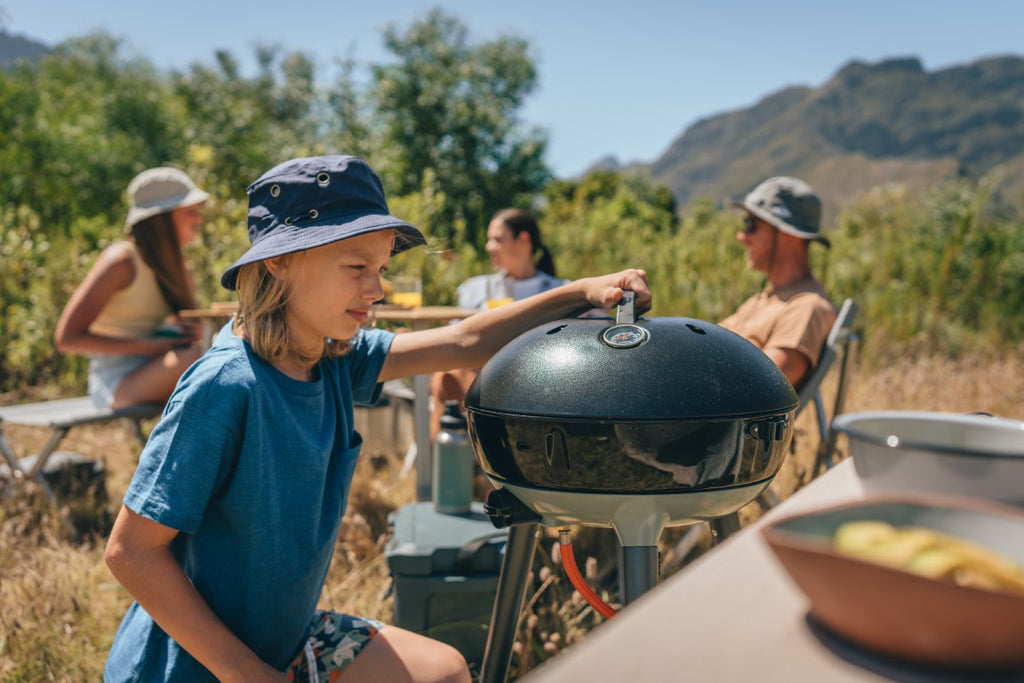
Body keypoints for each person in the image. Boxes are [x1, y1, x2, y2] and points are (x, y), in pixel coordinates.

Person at [102, 154, 651, 683]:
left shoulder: (332, 356)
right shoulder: (225, 387)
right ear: (278, 261)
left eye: (382, 268)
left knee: (445, 671)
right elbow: (131, 552)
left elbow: (464, 339)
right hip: (199, 664)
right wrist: (245, 672)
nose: (378, 289)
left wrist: (579, 292)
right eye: (357, 267)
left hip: (284, 641)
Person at [54, 167, 208, 409]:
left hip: (163, 364)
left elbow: (184, 331)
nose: (199, 219)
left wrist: (194, 332)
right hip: (115, 381)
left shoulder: (180, 270)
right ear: (161, 219)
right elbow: (66, 339)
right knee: (202, 360)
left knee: (223, 352)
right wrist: (148, 347)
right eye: (190, 211)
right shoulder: (121, 263)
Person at [428, 208, 566, 439]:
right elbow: (453, 336)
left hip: (538, 377)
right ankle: (469, 447)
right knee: (450, 372)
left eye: (497, 239)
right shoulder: (476, 288)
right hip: (479, 373)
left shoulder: (559, 290)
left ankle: (466, 448)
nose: (489, 247)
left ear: (523, 240)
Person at [718, 176, 837, 389]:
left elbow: (762, 386)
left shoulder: (807, 307)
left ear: (787, 234)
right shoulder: (764, 299)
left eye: (751, 224)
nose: (741, 236)